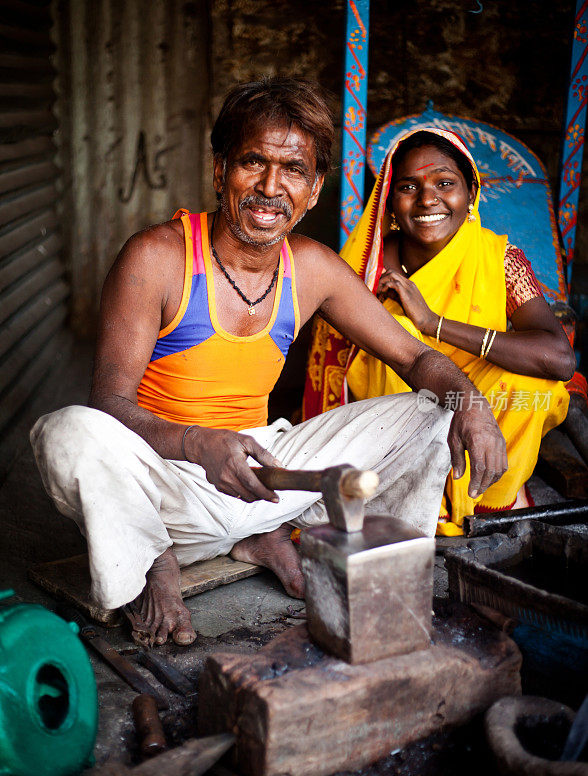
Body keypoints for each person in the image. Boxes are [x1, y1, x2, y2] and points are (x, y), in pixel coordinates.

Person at [32, 82, 507, 646]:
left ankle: (358, 560)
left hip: (263, 474)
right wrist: (195, 443)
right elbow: (110, 404)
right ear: (220, 171)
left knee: (435, 410)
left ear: (313, 190)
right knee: (66, 433)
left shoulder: (313, 268)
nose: (270, 187)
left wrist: (470, 403)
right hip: (164, 482)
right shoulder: (155, 258)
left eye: (293, 170)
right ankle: (150, 562)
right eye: (253, 162)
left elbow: (414, 355)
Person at [304, 127, 575, 537]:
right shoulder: (367, 267)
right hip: (399, 408)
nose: (428, 199)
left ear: (470, 195)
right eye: (409, 186)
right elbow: (335, 363)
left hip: (477, 396)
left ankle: (488, 505)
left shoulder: (499, 258)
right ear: (390, 203)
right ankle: (419, 495)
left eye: (445, 183)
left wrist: (434, 324)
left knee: (533, 386)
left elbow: (558, 358)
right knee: (393, 330)